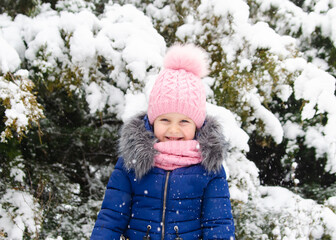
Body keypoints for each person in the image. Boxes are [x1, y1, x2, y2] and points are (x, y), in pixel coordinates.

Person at [91, 43, 235, 240]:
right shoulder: (132, 161)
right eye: (165, 120)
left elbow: (218, 225)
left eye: (184, 121)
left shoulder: (208, 167)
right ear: (152, 121)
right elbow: (111, 219)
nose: (173, 129)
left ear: (197, 125)